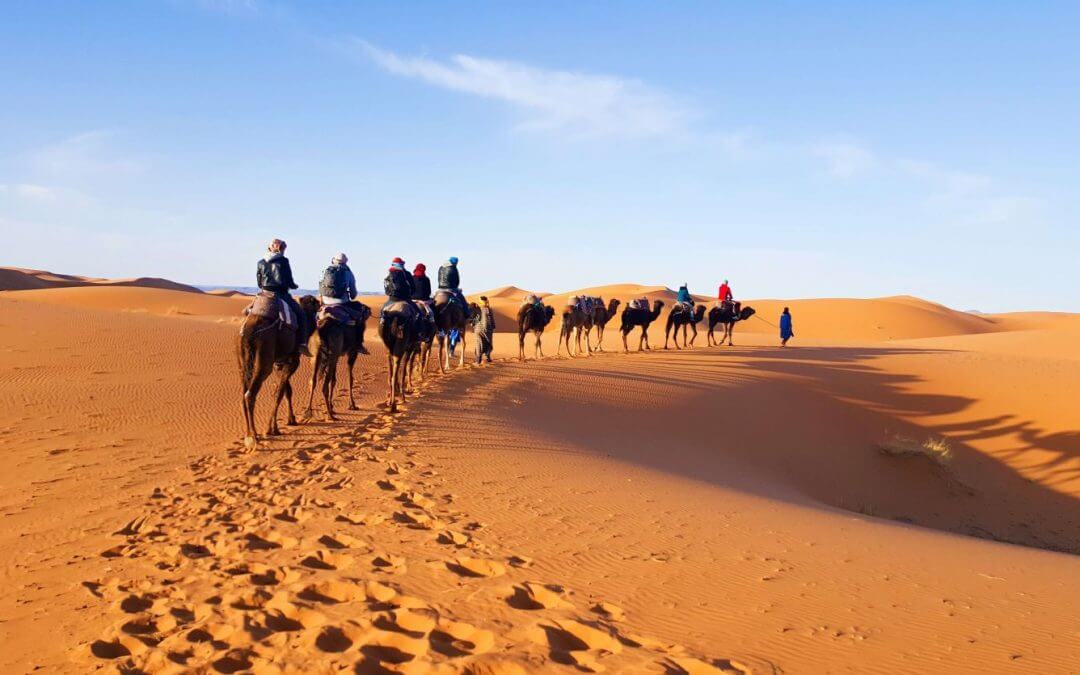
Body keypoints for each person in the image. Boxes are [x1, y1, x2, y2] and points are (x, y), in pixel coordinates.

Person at [256, 238, 310, 356]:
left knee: (249, 311)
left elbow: (259, 283)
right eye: (283, 248)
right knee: (301, 315)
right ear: (281, 249)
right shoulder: (283, 261)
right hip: (280, 294)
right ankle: (302, 344)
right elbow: (289, 280)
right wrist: (293, 286)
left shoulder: (260, 262)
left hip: (264, 293)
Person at [473, 295, 496, 364]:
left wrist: (474, 325)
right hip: (487, 329)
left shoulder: (477, 309)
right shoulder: (488, 309)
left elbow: (474, 319)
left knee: (478, 343)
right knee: (488, 343)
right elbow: (490, 319)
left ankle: (478, 359)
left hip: (477, 329)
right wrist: (493, 326)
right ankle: (487, 357)